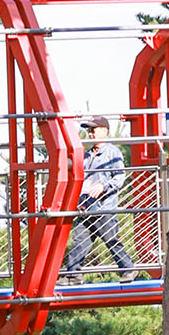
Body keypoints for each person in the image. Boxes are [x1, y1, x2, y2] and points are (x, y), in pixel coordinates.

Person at [69, 115, 131, 277]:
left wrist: (103, 186)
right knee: (79, 242)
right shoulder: (88, 155)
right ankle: (72, 276)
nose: (90, 133)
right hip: (86, 207)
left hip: (104, 208)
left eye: (93, 130)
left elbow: (119, 177)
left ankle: (128, 269)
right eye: (89, 130)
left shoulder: (112, 152)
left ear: (104, 131)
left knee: (111, 241)